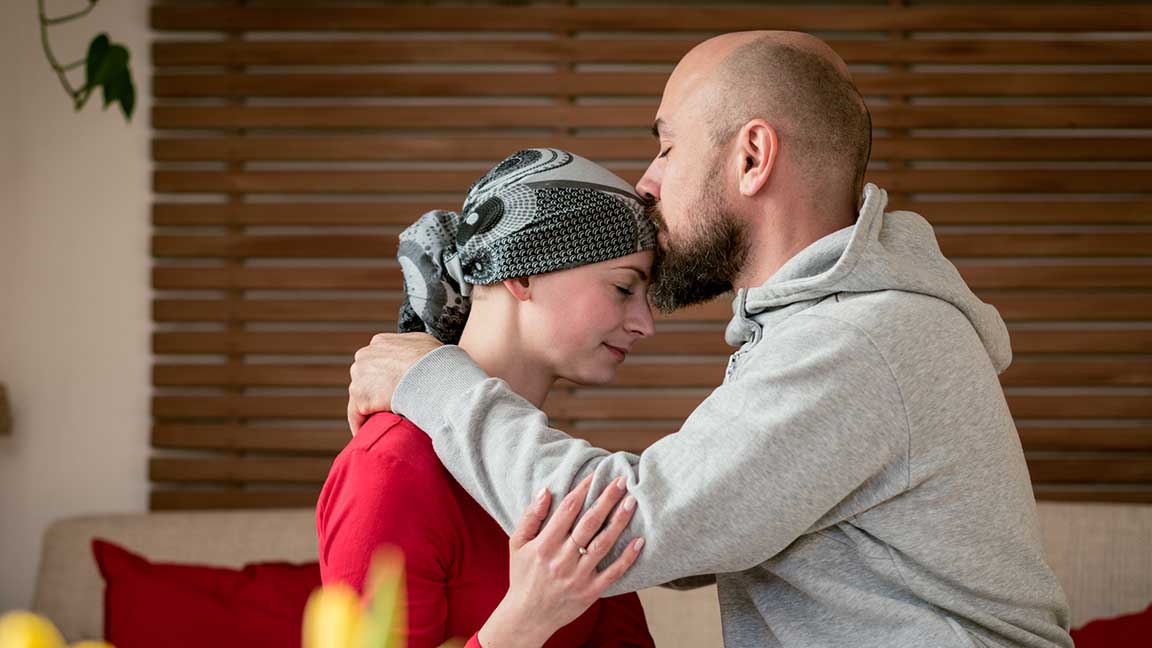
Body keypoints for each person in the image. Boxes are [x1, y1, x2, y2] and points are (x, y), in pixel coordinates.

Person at [346, 31, 1075, 648]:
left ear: (753, 157)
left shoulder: (856, 340)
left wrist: (434, 380)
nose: (647, 182)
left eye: (666, 146)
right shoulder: (822, 330)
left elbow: (636, 528)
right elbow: (687, 534)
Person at [317, 148, 658, 648]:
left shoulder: (550, 471)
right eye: (624, 288)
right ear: (522, 274)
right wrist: (524, 622)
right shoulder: (391, 468)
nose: (644, 323)